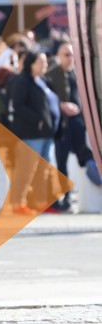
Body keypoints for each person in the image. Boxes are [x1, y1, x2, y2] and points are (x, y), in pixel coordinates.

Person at [8, 51, 63, 214]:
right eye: (41, 62)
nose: (44, 65)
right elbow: (18, 105)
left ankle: (41, 202)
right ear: (31, 64)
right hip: (31, 133)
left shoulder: (44, 81)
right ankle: (18, 203)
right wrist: (37, 120)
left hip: (46, 134)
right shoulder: (22, 81)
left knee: (43, 171)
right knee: (26, 170)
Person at [46, 42, 92, 210]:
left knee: (84, 157)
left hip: (78, 123)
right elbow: (47, 100)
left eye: (71, 55)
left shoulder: (78, 74)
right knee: (61, 161)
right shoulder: (50, 75)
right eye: (66, 54)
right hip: (61, 125)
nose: (69, 58)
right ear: (58, 56)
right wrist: (61, 105)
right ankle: (63, 196)